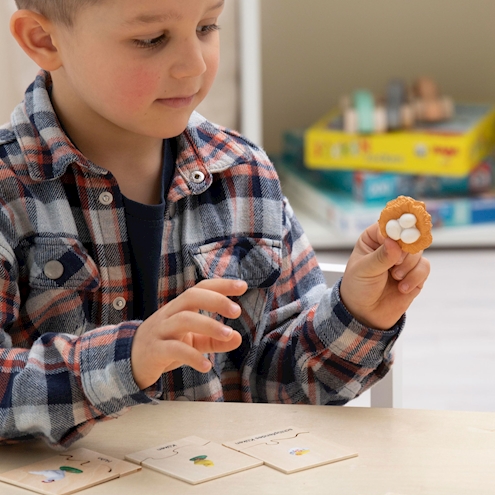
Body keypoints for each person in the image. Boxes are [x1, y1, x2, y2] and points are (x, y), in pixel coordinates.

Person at [0, 0, 430, 449]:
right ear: (43, 40)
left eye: (207, 26)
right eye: (151, 39)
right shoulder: (8, 192)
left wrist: (358, 315)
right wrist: (127, 359)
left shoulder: (245, 174)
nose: (194, 64)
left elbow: (280, 387)